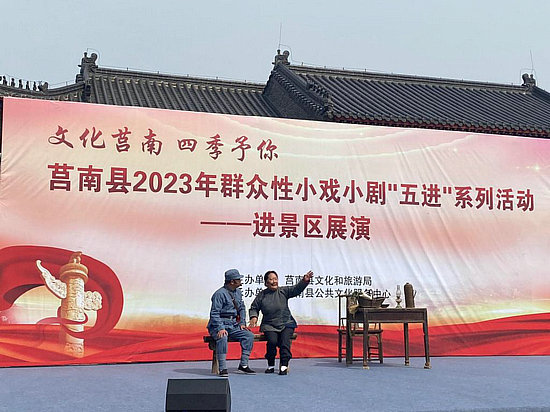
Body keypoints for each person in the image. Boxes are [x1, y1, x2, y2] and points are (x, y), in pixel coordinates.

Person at [249, 270, 313, 375]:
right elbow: (254, 307)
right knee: (272, 342)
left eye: (275, 279)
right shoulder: (262, 295)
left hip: (286, 323)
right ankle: (270, 364)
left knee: (284, 342)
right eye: (271, 279)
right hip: (269, 325)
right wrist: (254, 317)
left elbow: (296, 289)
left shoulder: (283, 291)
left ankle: (284, 364)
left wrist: (304, 281)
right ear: (266, 283)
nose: (274, 281)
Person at [207, 269, 256, 376]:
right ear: (232, 281)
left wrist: (242, 323)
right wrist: (220, 328)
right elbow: (214, 313)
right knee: (222, 336)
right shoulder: (219, 294)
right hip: (218, 324)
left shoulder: (238, 292)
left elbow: (242, 308)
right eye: (238, 279)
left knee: (248, 335)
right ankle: (222, 368)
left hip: (233, 324)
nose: (241, 281)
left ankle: (243, 365)